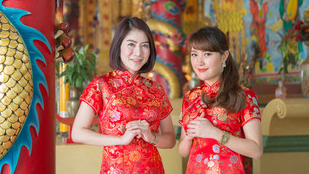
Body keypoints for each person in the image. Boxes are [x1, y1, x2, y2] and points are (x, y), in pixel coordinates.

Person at [72, 17, 176, 174]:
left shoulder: (156, 90)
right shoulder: (102, 85)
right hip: (115, 169)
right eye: (131, 44)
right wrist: (120, 140)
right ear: (118, 46)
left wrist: (151, 137)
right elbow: (77, 133)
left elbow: (170, 140)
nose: (138, 52)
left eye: (144, 46)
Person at [178, 27, 263, 174]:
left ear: (224, 56)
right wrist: (189, 137)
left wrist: (214, 133)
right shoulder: (190, 97)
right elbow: (183, 152)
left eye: (207, 54)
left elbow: (256, 151)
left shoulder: (244, 95)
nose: (199, 61)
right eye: (194, 54)